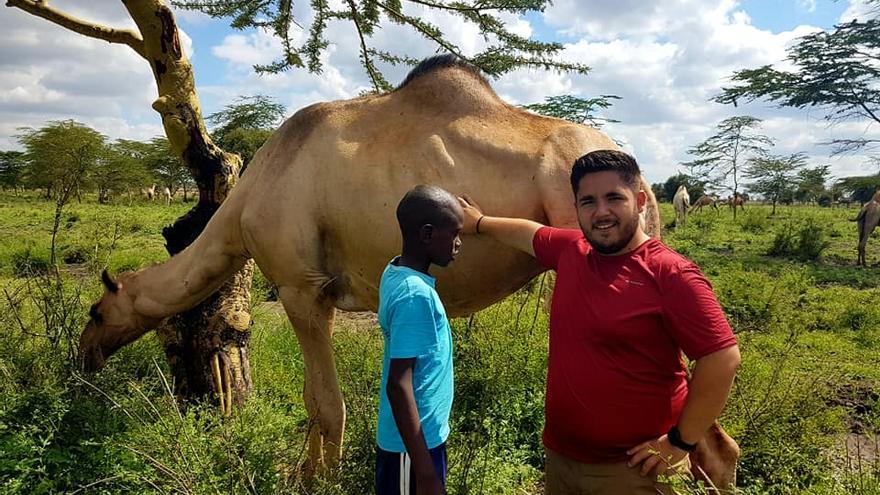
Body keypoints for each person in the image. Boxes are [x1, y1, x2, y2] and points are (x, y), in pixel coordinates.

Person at [457, 150, 741, 494]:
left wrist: (680, 442)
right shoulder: (571, 250)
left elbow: (722, 358)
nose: (601, 212)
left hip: (635, 471)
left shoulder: (671, 273)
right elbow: (529, 234)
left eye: (613, 198)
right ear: (576, 208)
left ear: (639, 202)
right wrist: (479, 223)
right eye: (588, 201)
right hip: (561, 460)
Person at [376, 185, 464, 495]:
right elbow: (398, 384)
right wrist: (425, 472)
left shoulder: (395, 271)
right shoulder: (417, 294)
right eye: (453, 234)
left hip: (419, 442)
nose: (458, 244)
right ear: (427, 235)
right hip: (412, 448)